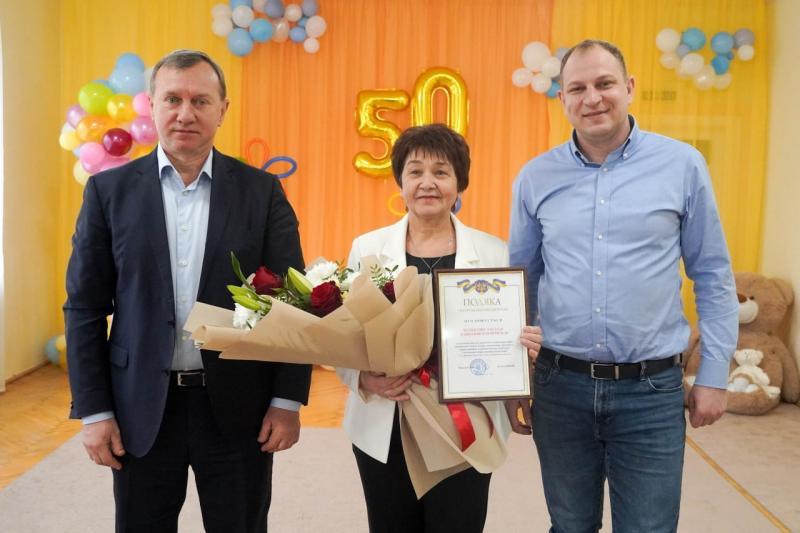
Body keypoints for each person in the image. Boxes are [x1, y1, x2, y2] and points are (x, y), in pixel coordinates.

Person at [64, 49, 311, 532]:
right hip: (139, 409)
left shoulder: (261, 192)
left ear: (222, 109)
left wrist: (287, 401)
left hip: (239, 407)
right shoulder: (108, 193)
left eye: (200, 101)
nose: (185, 113)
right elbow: (84, 307)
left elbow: (292, 302)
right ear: (152, 105)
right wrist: (94, 409)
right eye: (172, 99)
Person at [507, 39, 739, 532]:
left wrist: (715, 374)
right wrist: (512, 380)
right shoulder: (535, 178)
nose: (592, 98)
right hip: (560, 387)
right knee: (570, 526)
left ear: (629, 87)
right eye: (577, 88)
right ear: (562, 99)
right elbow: (521, 282)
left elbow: (713, 274)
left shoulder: (683, 165)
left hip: (650, 391)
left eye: (604, 83)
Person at [337, 124, 542, 533]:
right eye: (415, 172)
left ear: (459, 183)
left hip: (465, 422)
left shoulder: (494, 252)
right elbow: (341, 333)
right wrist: (363, 379)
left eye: (441, 172)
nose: (427, 183)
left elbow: (506, 337)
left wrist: (521, 365)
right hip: (387, 419)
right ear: (400, 182)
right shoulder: (368, 248)